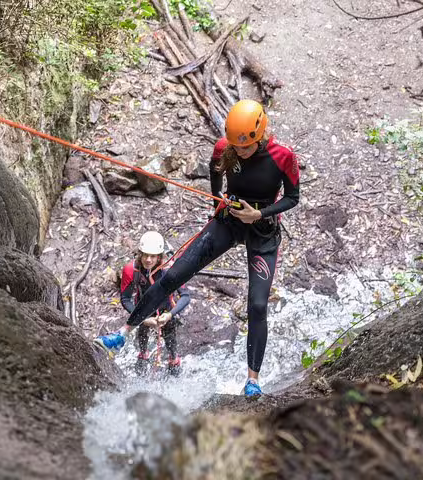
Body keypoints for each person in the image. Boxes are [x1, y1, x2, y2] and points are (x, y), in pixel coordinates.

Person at [94, 99, 300, 397]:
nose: (238, 151)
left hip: (262, 230)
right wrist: (218, 199)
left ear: (259, 136)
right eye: (234, 146)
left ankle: (252, 379)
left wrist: (259, 214)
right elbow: (216, 173)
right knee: (172, 276)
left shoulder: (283, 157)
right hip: (228, 221)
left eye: (244, 147)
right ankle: (122, 334)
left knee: (257, 304)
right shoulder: (224, 147)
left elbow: (293, 197)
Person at [108, 230, 190, 376]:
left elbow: (185, 296)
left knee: (170, 339)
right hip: (142, 309)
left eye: (153, 256)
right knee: (142, 334)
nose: (148, 260)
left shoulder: (170, 269)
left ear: (159, 256)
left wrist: (170, 315)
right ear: (140, 253)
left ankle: (173, 360)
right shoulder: (131, 269)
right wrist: (143, 319)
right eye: (145, 255)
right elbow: (125, 298)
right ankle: (143, 356)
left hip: (166, 310)